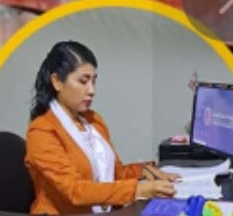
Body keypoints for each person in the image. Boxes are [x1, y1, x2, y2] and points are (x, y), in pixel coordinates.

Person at [24, 41, 178, 214]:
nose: (92, 90)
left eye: (94, 81)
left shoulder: (93, 120)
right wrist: (138, 190)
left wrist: (145, 170)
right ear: (57, 82)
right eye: (83, 81)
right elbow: (74, 191)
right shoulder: (42, 131)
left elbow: (115, 173)